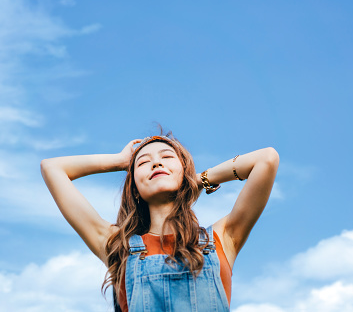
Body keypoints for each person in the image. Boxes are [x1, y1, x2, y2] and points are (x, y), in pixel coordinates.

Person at [41, 133, 279, 311]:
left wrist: (196, 180)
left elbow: (266, 159)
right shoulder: (117, 246)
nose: (156, 163)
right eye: (143, 162)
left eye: (167, 157)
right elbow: (52, 168)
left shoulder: (221, 238)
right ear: (134, 187)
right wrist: (120, 160)